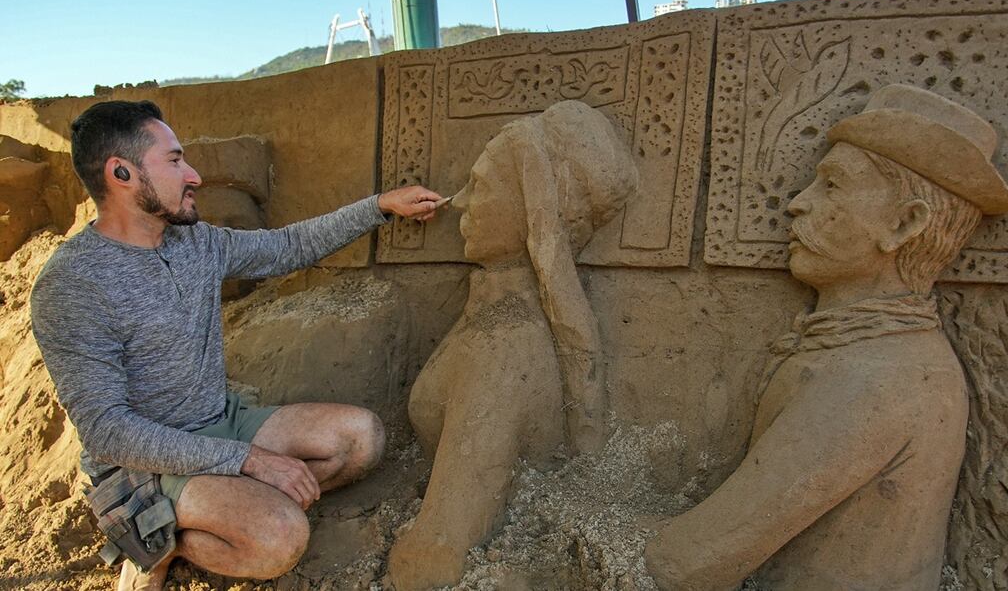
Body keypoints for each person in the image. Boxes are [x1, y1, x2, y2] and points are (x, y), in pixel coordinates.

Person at [29, 100, 442, 590]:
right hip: (144, 468)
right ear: (121, 173)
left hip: (221, 421)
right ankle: (154, 541)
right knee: (281, 538)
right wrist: (249, 462)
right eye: (175, 161)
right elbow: (108, 432)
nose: (195, 176)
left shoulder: (196, 243)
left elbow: (288, 247)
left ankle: (224, 511)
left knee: (361, 438)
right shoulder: (72, 284)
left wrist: (380, 206)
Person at [644, 84, 1008, 589]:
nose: (798, 204)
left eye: (832, 185)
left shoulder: (881, 379)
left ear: (905, 224)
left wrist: (570, 525)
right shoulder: (861, 350)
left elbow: (687, 564)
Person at [387, 100, 639, 590]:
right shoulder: (490, 325)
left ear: (531, 203)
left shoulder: (503, 350)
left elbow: (438, 552)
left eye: (480, 186)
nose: (460, 202)